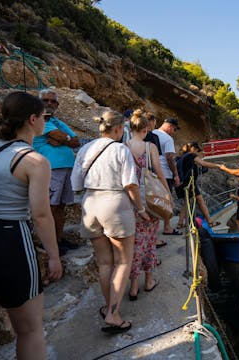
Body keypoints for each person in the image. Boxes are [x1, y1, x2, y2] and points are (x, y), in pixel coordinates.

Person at [0, 91, 63, 360]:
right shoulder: (35, 161)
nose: (46, 122)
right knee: (29, 329)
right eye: (44, 117)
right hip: (11, 240)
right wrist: (54, 256)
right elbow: (40, 215)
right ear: (33, 119)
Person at [71, 110, 150, 334]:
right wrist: (141, 209)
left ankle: (108, 306)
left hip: (90, 203)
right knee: (123, 262)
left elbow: (75, 183)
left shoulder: (85, 148)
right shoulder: (120, 149)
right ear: (118, 128)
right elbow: (131, 184)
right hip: (114, 203)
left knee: (105, 263)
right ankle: (113, 314)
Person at [125, 110, 170, 300]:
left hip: (129, 200)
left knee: (134, 242)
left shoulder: (123, 146)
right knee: (150, 240)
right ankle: (148, 280)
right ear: (145, 129)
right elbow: (159, 173)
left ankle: (133, 286)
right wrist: (167, 193)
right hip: (149, 200)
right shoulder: (150, 147)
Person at [33, 89, 81, 255]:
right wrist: (65, 139)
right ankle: (50, 243)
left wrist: (65, 140)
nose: (49, 104)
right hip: (50, 169)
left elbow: (76, 141)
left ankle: (59, 239)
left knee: (61, 206)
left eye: (53, 101)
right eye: (45, 100)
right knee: (51, 207)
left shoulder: (57, 121)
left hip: (66, 168)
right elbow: (61, 137)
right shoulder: (40, 120)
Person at [176, 142, 221, 228]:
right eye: (197, 151)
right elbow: (203, 164)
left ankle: (180, 223)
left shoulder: (181, 157)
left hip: (181, 184)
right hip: (189, 183)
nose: (197, 153)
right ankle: (210, 222)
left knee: (187, 202)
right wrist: (218, 166)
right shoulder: (191, 155)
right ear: (193, 148)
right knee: (200, 201)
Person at [152, 117, 182, 235]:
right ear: (169, 126)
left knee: (154, 200)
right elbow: (170, 157)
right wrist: (175, 174)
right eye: (174, 129)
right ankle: (167, 227)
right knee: (166, 200)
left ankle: (153, 229)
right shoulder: (168, 138)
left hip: (152, 172)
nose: (173, 132)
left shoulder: (152, 133)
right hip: (165, 173)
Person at [142, 112, 166, 247]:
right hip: (149, 177)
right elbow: (157, 162)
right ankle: (154, 240)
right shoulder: (153, 137)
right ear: (151, 121)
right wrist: (164, 186)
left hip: (133, 178)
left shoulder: (129, 138)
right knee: (153, 210)